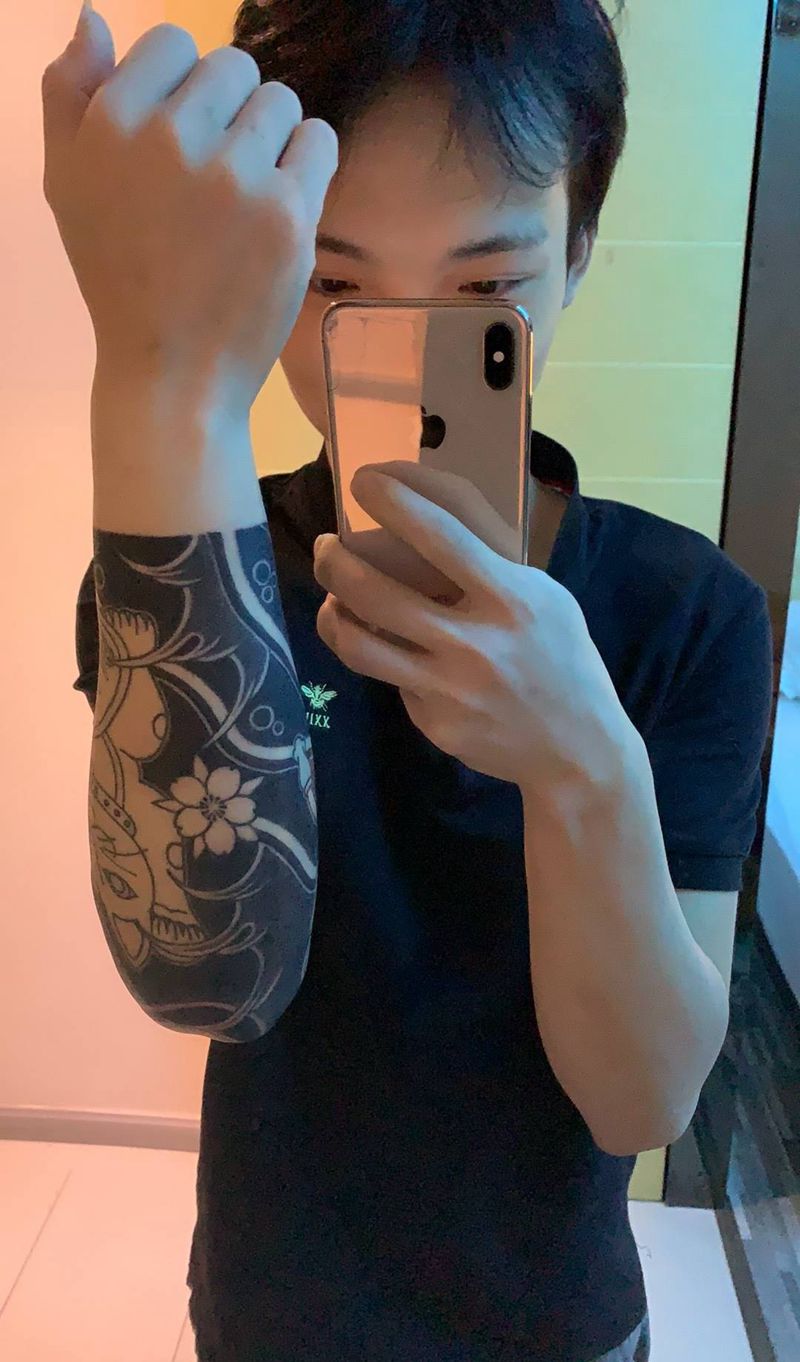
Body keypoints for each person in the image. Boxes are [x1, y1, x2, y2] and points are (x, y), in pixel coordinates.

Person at [42, 3, 773, 1360]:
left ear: (580, 250)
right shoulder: (197, 570)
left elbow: (643, 1100)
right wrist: (160, 381)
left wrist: (583, 762)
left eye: (487, 293)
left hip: (552, 1325)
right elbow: (209, 979)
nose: (414, 350)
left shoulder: (686, 612)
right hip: (277, 1314)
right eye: (334, 282)